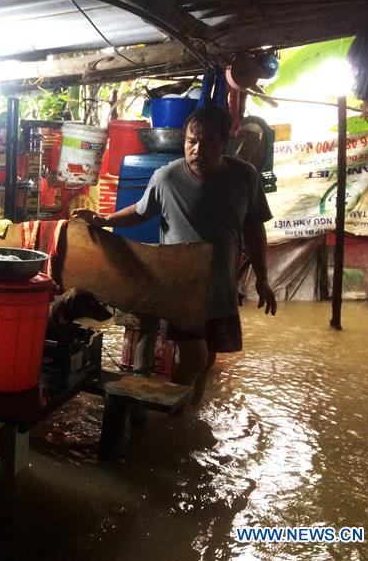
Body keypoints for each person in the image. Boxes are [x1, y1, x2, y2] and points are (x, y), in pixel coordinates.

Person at [71, 106, 277, 403]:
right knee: (194, 356)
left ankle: (192, 412)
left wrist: (262, 278)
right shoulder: (166, 177)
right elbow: (140, 212)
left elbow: (254, 228)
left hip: (220, 286)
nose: (197, 149)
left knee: (208, 359)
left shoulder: (244, 177)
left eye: (207, 142)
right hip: (179, 287)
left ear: (224, 143)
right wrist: (104, 220)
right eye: (191, 140)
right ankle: (172, 411)